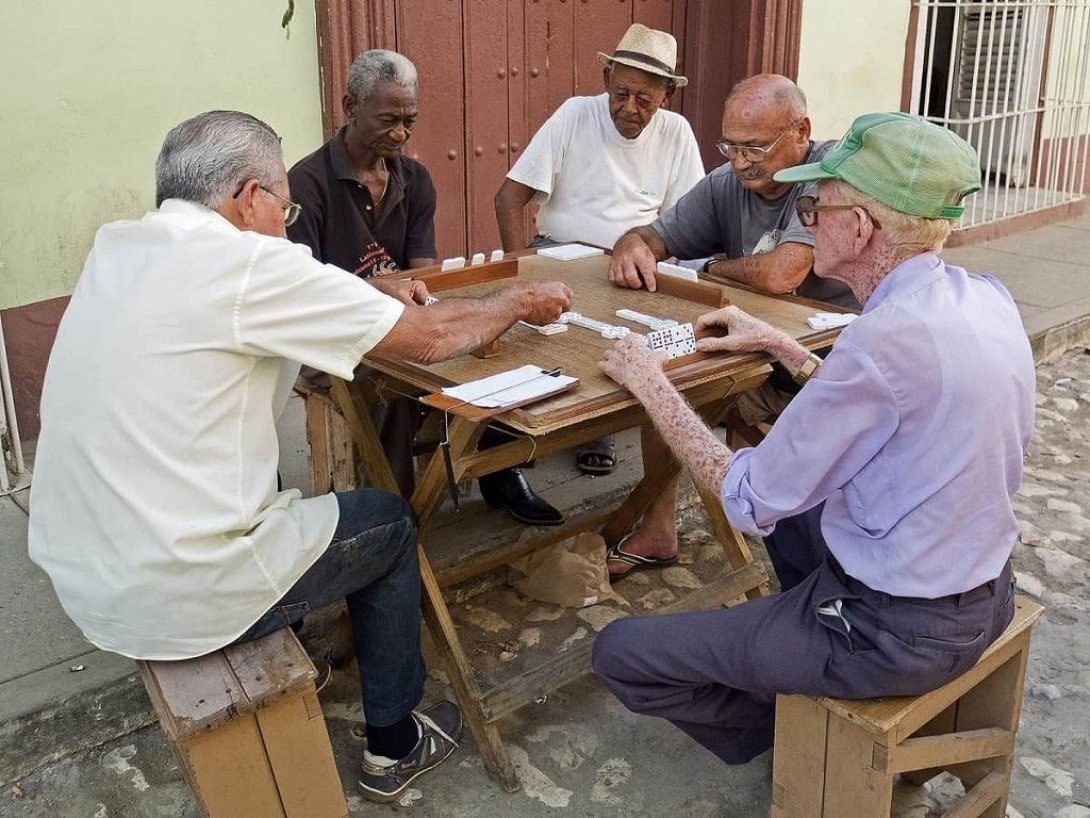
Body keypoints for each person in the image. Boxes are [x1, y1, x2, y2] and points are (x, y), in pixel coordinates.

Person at [27, 110, 572, 803]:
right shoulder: (246, 262)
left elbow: (268, 304)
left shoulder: (124, 246)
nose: (286, 223)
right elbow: (434, 339)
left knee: (266, 475)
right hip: (173, 594)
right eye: (283, 208)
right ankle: (393, 744)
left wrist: (369, 293)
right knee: (388, 525)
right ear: (250, 198)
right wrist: (518, 297)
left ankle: (316, 638)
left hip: (85, 571)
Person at [591, 112, 1033, 768]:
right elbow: (895, 403)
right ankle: (795, 647)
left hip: (894, 633)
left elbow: (748, 498)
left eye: (814, 206)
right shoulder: (976, 296)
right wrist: (780, 344)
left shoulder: (884, 342)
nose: (805, 221)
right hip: (980, 589)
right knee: (801, 511)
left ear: (860, 228)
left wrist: (650, 384)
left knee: (621, 653)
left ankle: (776, 727)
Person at [290, 49, 562, 524]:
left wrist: (439, 308)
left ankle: (500, 471)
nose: (401, 133)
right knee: (395, 380)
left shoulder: (414, 180)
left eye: (409, 120)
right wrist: (382, 297)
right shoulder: (307, 185)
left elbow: (424, 275)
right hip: (336, 330)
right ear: (350, 106)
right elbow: (305, 293)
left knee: (493, 341)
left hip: (404, 319)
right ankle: (399, 514)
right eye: (389, 120)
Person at [603, 74, 856, 579]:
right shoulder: (729, 182)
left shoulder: (827, 174)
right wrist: (630, 246)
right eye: (730, 146)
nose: (740, 162)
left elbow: (783, 274)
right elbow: (652, 236)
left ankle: (803, 545)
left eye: (755, 147)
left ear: (801, 131)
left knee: (687, 388)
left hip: (828, 366)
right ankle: (658, 531)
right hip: (758, 355)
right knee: (664, 383)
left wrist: (712, 268)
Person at [495, 24, 704, 476]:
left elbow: (688, 224)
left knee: (631, 325)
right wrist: (521, 274)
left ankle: (596, 424)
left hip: (633, 265)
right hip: (557, 254)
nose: (629, 108)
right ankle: (523, 430)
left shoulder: (677, 134)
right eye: (621, 93)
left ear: (666, 94)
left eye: (645, 99)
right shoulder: (575, 114)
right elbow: (509, 198)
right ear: (606, 78)